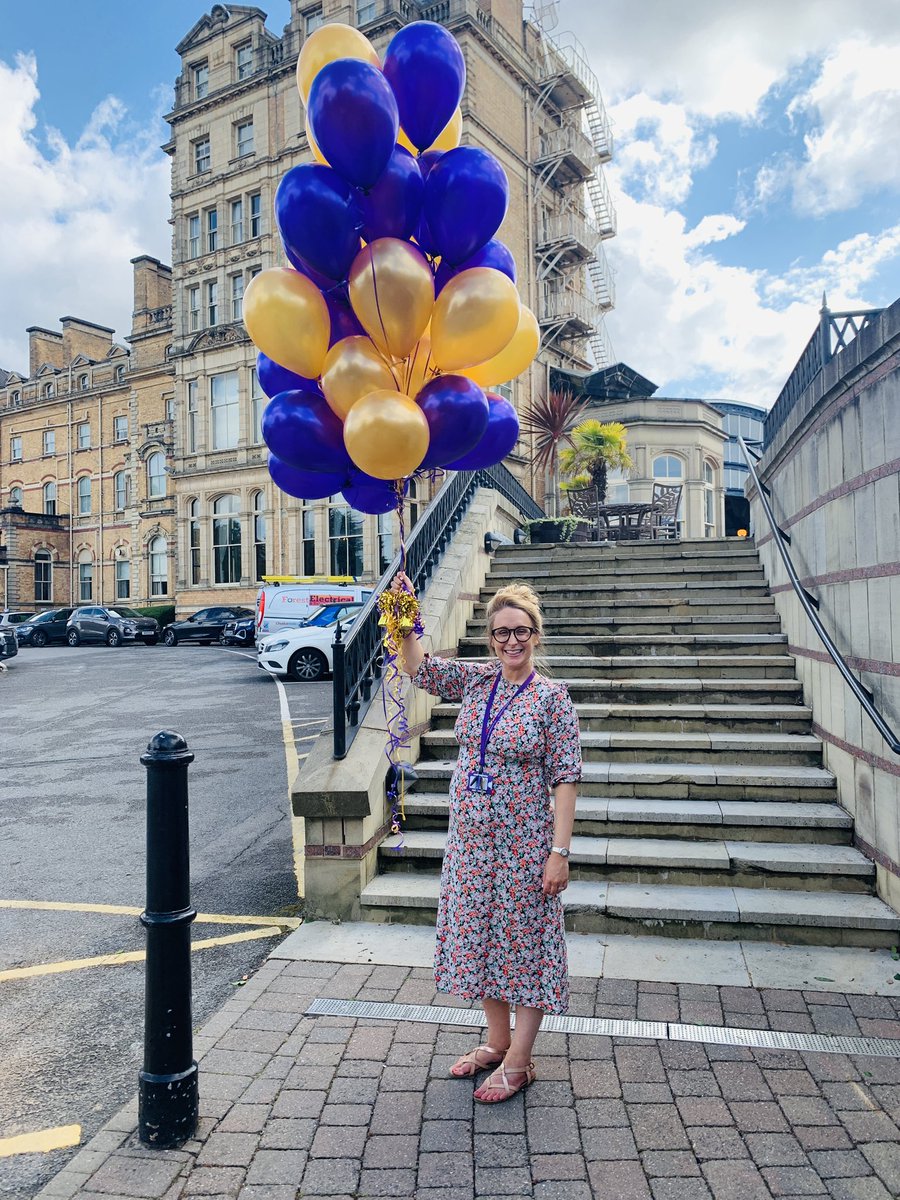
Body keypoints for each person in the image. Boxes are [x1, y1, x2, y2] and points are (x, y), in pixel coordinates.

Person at [391, 571, 582, 1103]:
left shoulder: (552, 698)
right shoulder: (479, 682)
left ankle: (520, 1062)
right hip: (472, 845)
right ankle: (498, 1043)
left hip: (524, 845)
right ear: (490, 637)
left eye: (521, 631)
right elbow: (418, 668)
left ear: (536, 635)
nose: (512, 641)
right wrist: (405, 618)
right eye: (501, 632)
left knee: (524, 945)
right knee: (482, 940)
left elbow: (566, 778)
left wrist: (558, 854)